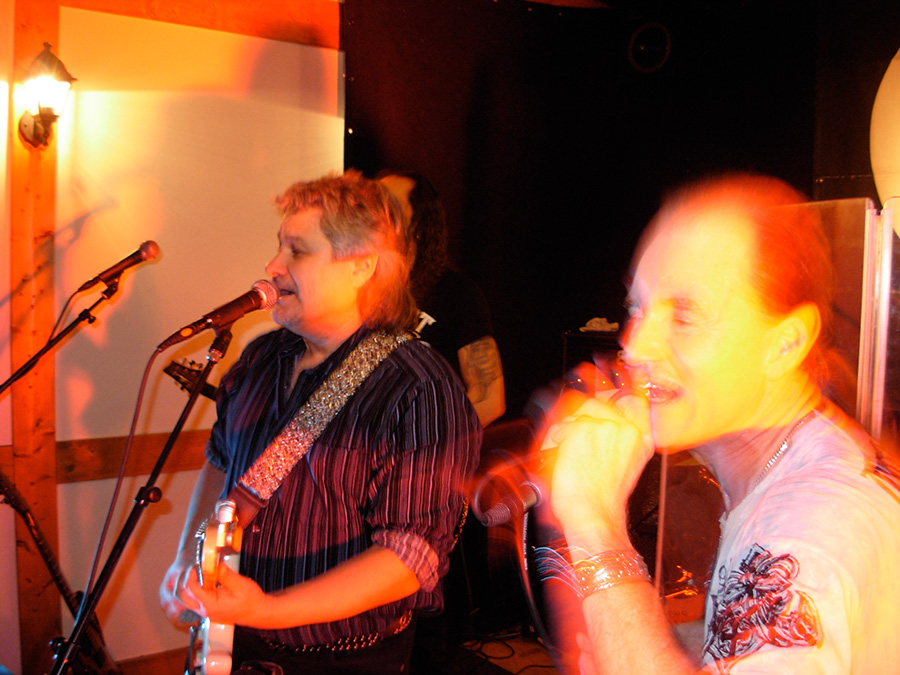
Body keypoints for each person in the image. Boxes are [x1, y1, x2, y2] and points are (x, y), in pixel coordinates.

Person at [544, 173, 900, 673]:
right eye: (638, 309)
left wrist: (592, 519)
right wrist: (651, 647)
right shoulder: (804, 460)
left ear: (784, 345)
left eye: (684, 317)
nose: (635, 346)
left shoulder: (809, 534)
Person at [159, 171, 481, 673]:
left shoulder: (419, 386)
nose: (272, 266)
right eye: (278, 246)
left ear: (361, 267)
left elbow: (409, 557)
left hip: (345, 659)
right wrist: (189, 559)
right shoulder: (260, 357)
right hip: (236, 642)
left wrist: (267, 611)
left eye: (298, 250)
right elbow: (221, 465)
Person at [377, 170, 505, 428]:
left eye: (391, 206)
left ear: (418, 226)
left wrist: (428, 439)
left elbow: (490, 399)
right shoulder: (353, 293)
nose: (376, 214)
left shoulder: (457, 295)